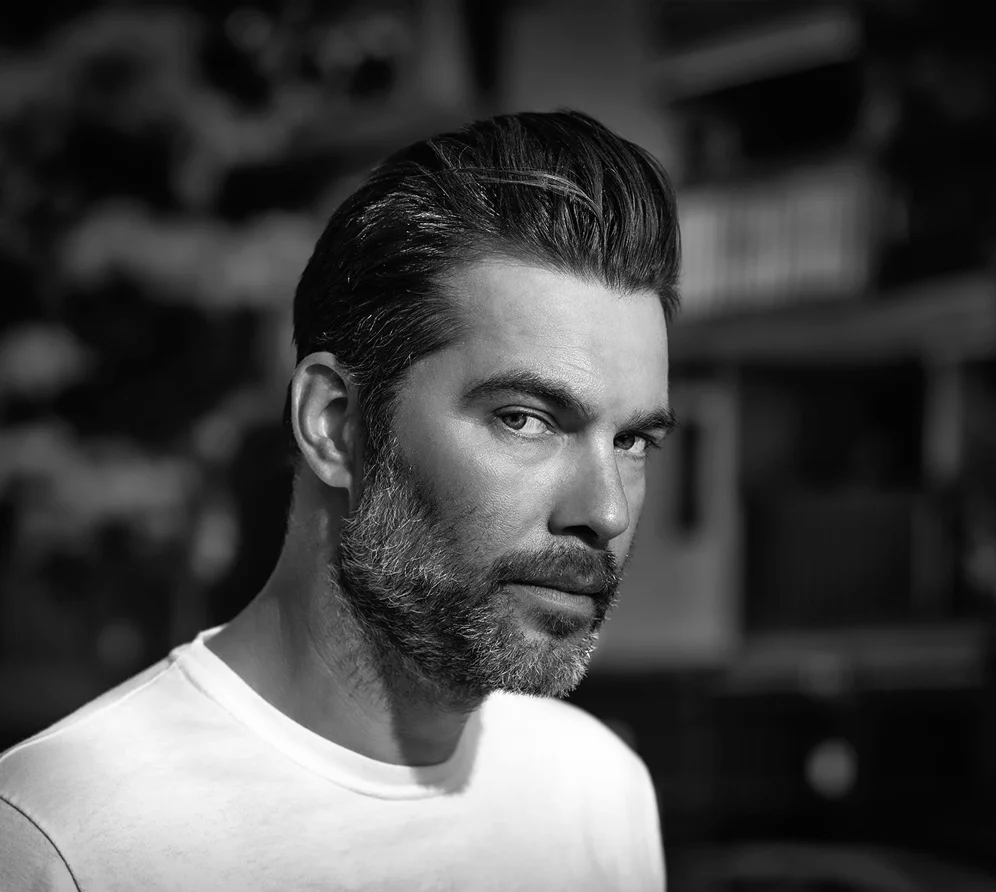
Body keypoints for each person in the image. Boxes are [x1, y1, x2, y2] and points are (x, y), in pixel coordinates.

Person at [0, 109, 679, 891]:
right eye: (525, 420)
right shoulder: (62, 838)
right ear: (334, 425)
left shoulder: (600, 792)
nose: (606, 512)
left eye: (633, 441)